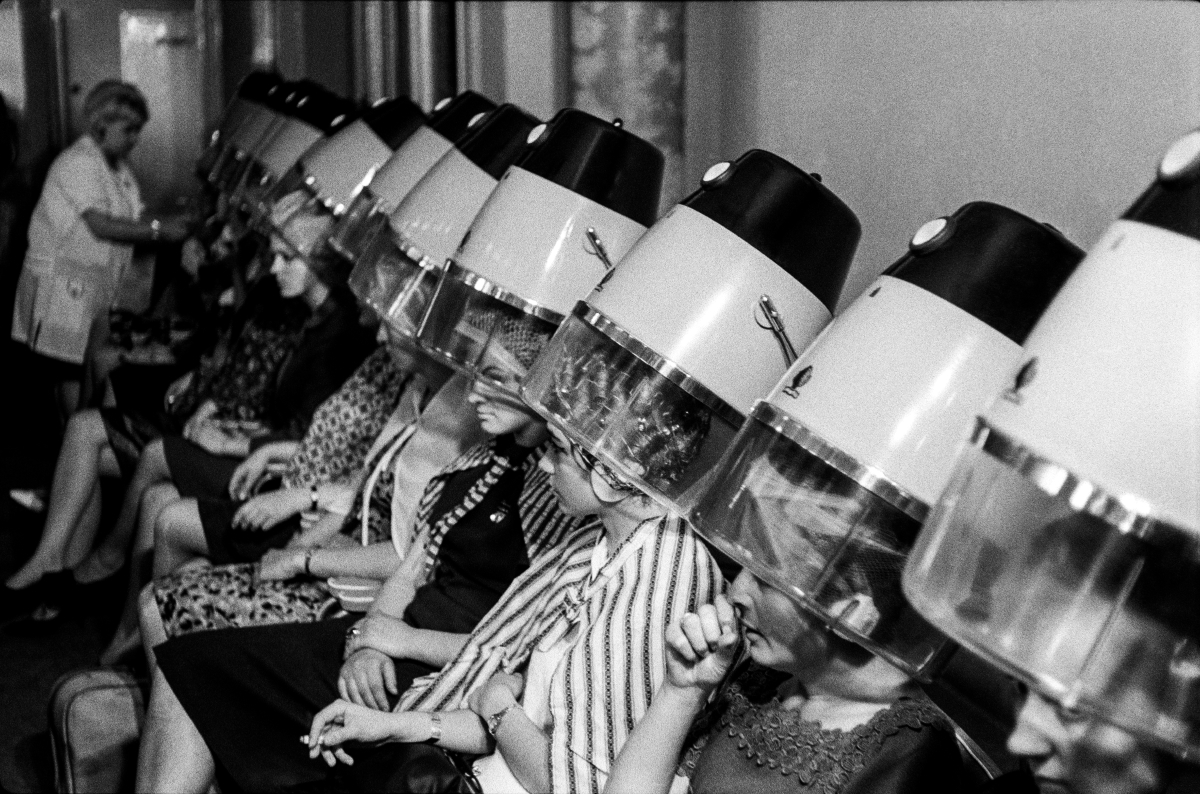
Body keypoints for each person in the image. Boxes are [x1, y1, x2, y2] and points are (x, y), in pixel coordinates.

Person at [136, 319, 589, 794]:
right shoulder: (485, 456)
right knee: (186, 666)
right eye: (476, 371)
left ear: (540, 386)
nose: (472, 391)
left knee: (193, 672)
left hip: (445, 671)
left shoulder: (558, 496)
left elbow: (520, 651)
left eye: (495, 377)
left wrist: (396, 639)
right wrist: (370, 639)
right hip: (389, 635)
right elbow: (414, 560)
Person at [10, 80, 189, 417]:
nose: (135, 138)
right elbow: (102, 224)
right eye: (129, 129)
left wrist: (175, 221)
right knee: (69, 370)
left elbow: (135, 215)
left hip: (92, 285)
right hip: (63, 286)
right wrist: (159, 231)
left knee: (84, 367)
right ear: (100, 123)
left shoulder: (116, 166)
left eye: (139, 129)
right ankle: (71, 444)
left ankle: (74, 441)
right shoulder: (77, 162)